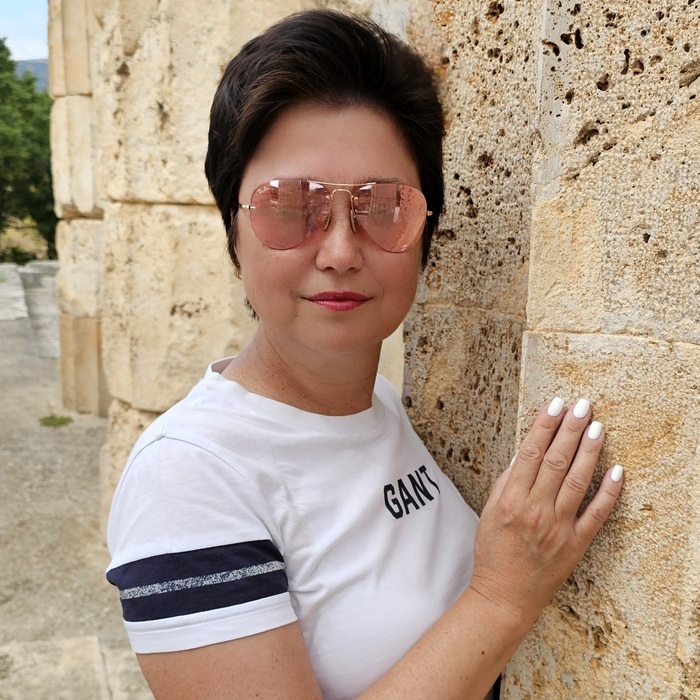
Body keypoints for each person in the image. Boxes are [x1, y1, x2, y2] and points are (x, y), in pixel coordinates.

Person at [106, 9, 624, 699]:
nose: (341, 251)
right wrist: (504, 594)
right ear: (233, 233)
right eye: (291, 205)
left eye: (383, 206)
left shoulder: (373, 403)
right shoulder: (188, 478)